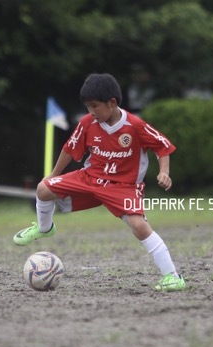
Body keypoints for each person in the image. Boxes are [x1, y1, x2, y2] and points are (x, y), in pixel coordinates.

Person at [13, 73, 186, 292]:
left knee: (139, 226)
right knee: (43, 189)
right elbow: (69, 148)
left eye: (95, 106)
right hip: (90, 179)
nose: (91, 112)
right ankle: (45, 228)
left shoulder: (135, 125)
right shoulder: (87, 123)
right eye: (87, 107)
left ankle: (173, 277)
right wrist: (52, 174)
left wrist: (164, 172)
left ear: (112, 103)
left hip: (123, 187)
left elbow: (163, 145)